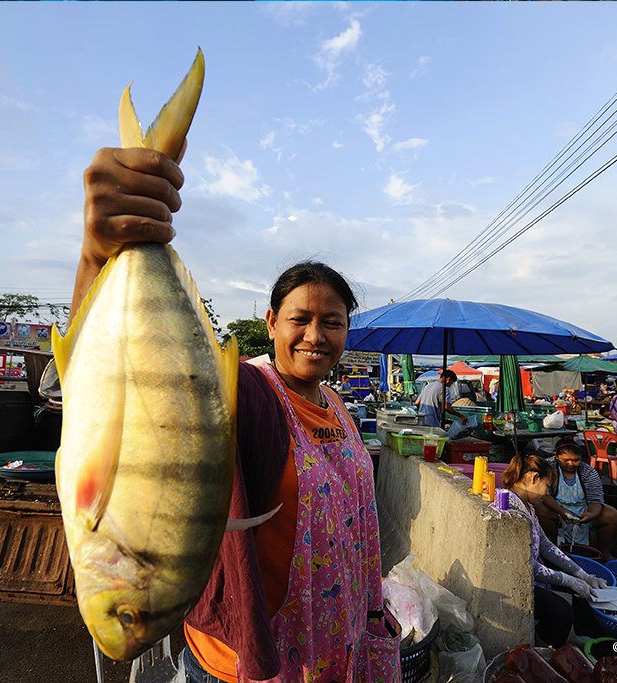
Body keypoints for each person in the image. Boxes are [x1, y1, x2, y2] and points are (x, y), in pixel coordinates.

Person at [75, 147, 399, 681]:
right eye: (300, 319)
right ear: (271, 322)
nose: (316, 336)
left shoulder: (337, 403)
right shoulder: (242, 388)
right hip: (250, 656)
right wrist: (97, 256)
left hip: (334, 642)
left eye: (333, 323)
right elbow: (116, 385)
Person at [502, 453, 608, 648]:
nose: (545, 494)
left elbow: (546, 545)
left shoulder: (528, 506)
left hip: (533, 571)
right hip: (516, 580)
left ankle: (581, 636)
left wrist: (582, 575)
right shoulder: (511, 510)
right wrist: (568, 580)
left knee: (585, 593)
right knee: (561, 612)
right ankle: (543, 647)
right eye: (545, 486)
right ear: (533, 479)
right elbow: (526, 565)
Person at [538, 441, 617, 560]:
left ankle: (604, 552)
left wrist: (591, 514)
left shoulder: (588, 472)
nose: (571, 464)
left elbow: (596, 499)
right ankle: (551, 549)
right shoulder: (548, 467)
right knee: (541, 510)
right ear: (556, 456)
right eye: (565, 460)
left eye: (576, 460)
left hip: (583, 507)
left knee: (612, 516)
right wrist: (561, 511)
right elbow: (544, 494)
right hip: (556, 507)